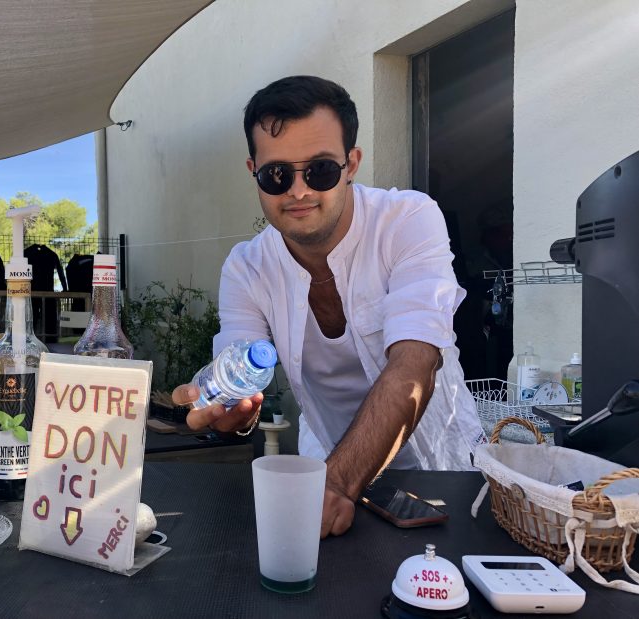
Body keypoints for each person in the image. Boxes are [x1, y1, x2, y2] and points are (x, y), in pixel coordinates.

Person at [172, 75, 486, 538]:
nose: (298, 191)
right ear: (253, 170)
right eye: (277, 174)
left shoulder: (409, 220)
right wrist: (233, 413)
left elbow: (416, 363)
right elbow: (240, 373)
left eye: (320, 170)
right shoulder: (246, 268)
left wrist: (338, 482)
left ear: (352, 163)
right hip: (328, 474)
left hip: (441, 470)